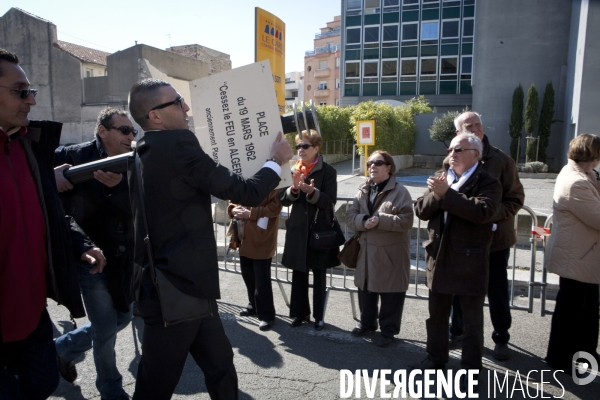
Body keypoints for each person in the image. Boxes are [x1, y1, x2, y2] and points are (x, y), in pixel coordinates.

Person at [127, 78, 293, 399]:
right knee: (155, 385)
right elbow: (247, 192)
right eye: (177, 102)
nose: (186, 107)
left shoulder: (143, 149)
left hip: (186, 286)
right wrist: (276, 159)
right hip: (174, 292)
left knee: (220, 366)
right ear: (155, 116)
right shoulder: (178, 145)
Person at [0, 48, 105, 399]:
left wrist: (79, 244)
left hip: (30, 314)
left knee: (42, 383)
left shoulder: (29, 148)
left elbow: (48, 211)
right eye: (20, 91)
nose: (30, 100)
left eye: (31, 91)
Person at [53, 108, 135, 400]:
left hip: (123, 259)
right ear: (103, 130)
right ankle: (110, 387)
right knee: (104, 327)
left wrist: (120, 188)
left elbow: (138, 208)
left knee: (123, 317)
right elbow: (38, 184)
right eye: (124, 130)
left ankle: (61, 349)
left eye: (133, 131)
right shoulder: (72, 155)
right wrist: (53, 174)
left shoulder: (132, 162)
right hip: (87, 259)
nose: (130, 136)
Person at [414, 133, 501, 389]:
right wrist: (438, 194)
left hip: (469, 260)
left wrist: (447, 196)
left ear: (476, 154)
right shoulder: (443, 177)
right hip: (439, 257)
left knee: (472, 320)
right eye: (451, 149)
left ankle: (471, 368)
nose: (452, 154)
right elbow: (421, 209)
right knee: (437, 316)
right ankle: (436, 357)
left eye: (459, 149)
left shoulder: (488, 182)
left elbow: (483, 211)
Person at [449, 111, 525, 361]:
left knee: (497, 290)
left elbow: (515, 198)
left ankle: (501, 337)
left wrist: (488, 215)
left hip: (495, 241)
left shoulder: (502, 160)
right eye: (468, 126)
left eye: (478, 124)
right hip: (461, 239)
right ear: (459, 132)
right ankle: (457, 331)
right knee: (459, 287)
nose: (475, 128)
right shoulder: (452, 157)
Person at [544, 134, 600, 373]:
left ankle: (585, 352)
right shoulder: (576, 181)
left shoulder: (585, 175)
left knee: (587, 310)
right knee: (571, 310)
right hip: (577, 256)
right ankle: (559, 357)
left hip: (582, 254)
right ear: (594, 156)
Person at [346, 151, 414, 347]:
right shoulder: (363, 190)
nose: (372, 166)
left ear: (389, 167)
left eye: (378, 163)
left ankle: (388, 331)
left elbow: (407, 220)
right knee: (365, 289)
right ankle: (367, 323)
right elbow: (351, 216)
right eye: (369, 163)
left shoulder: (400, 192)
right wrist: (364, 221)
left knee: (391, 293)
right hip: (366, 251)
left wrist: (380, 220)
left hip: (390, 254)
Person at [280, 129, 340, 331]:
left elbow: (330, 202)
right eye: (298, 146)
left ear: (316, 148)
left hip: (319, 231)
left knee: (319, 275)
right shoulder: (292, 170)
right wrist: (294, 189)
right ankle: (299, 313)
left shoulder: (328, 171)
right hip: (297, 230)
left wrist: (313, 192)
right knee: (299, 273)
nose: (300, 150)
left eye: (305, 146)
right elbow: (283, 199)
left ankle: (319, 317)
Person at [228, 189, 282, 331]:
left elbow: (275, 207)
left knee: (261, 278)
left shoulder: (274, 178)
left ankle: (266, 315)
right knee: (247, 273)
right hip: (244, 233)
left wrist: (250, 213)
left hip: (262, 236)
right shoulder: (247, 173)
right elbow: (234, 197)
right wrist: (233, 209)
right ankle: (253, 304)